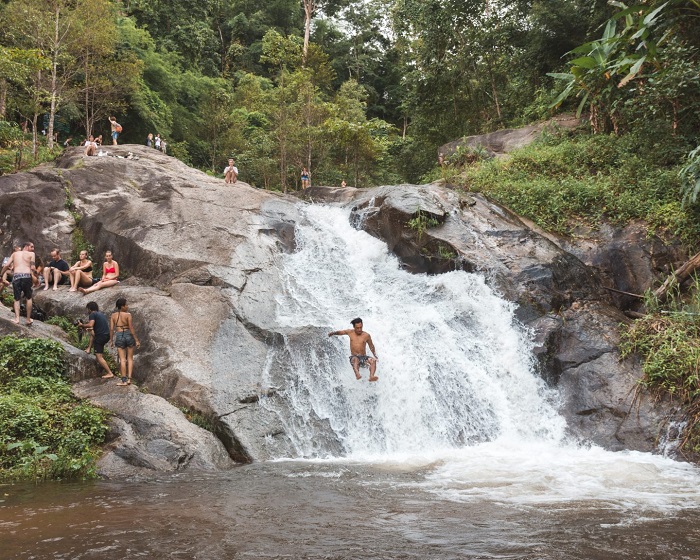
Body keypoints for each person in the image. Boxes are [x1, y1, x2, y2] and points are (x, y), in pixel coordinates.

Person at [328, 317, 379, 382]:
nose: (359, 329)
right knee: (355, 360)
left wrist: (375, 356)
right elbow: (341, 332)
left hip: (363, 357)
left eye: (361, 327)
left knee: (373, 361)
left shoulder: (366, 335)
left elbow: (371, 346)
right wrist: (333, 333)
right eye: (357, 328)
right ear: (354, 327)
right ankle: (357, 374)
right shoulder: (350, 332)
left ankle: (371, 376)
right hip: (354, 357)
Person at [0, 241, 36, 325]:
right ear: (26, 246)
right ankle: (28, 319)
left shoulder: (15, 254)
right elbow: (33, 267)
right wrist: (36, 275)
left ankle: (17, 319)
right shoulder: (31, 254)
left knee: (17, 298)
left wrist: (1, 275)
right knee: (28, 298)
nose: (33, 249)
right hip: (27, 276)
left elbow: (6, 265)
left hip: (16, 276)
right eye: (32, 247)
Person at [78, 302, 114, 379]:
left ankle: (109, 373)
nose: (87, 310)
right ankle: (88, 349)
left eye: (87, 309)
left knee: (98, 357)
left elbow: (90, 324)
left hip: (100, 336)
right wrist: (88, 328)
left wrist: (82, 325)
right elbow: (93, 327)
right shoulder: (101, 314)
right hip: (105, 335)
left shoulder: (92, 314)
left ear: (89, 309)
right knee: (91, 332)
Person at [110, 297, 140, 386]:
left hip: (119, 335)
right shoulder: (128, 315)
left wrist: (111, 340)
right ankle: (129, 379)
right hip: (128, 334)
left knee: (122, 360)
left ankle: (123, 380)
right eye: (126, 305)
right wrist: (136, 340)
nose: (127, 306)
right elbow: (131, 328)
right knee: (130, 358)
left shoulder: (113, 315)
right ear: (122, 306)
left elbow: (111, 329)